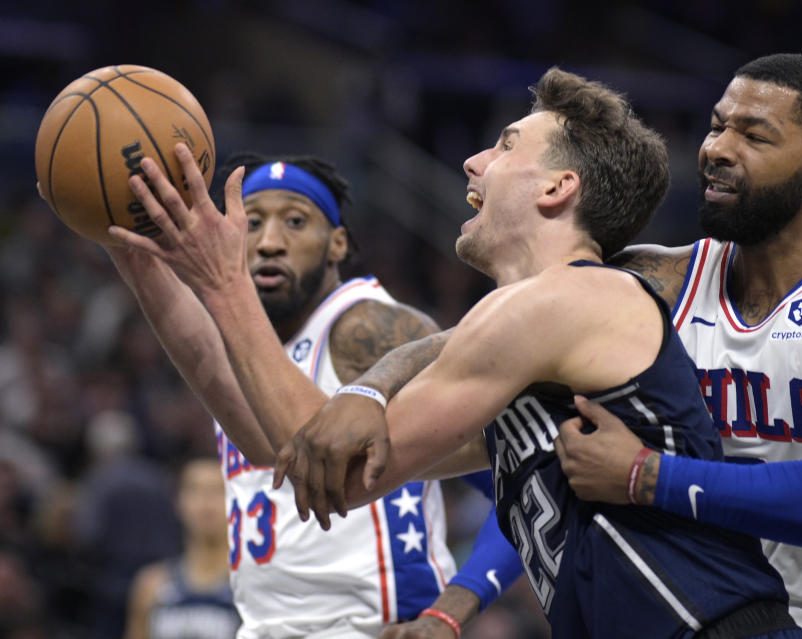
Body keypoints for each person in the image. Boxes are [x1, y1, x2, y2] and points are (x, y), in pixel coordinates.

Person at [260, 67, 802, 638]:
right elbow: (301, 450)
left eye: (505, 144)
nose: (474, 162)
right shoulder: (537, 333)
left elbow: (346, 479)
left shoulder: (570, 297)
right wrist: (368, 385)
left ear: (557, 187)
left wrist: (218, 280)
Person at [548, 53, 802, 639]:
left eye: (753, 135)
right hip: (730, 620)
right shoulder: (663, 285)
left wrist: (645, 475)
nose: (717, 147)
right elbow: (489, 369)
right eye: (717, 125)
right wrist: (375, 389)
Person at [104, 151, 523, 638]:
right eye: (253, 222)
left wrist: (452, 607)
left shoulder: (370, 326)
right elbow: (205, 360)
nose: (269, 243)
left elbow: (515, 477)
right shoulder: (244, 344)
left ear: (337, 243)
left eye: (296, 222)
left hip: (373, 626)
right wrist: (121, 240)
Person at [123, 454, 241, 639]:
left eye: (218, 490)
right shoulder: (151, 587)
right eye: (194, 490)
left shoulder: (252, 586)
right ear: (178, 502)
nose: (206, 502)